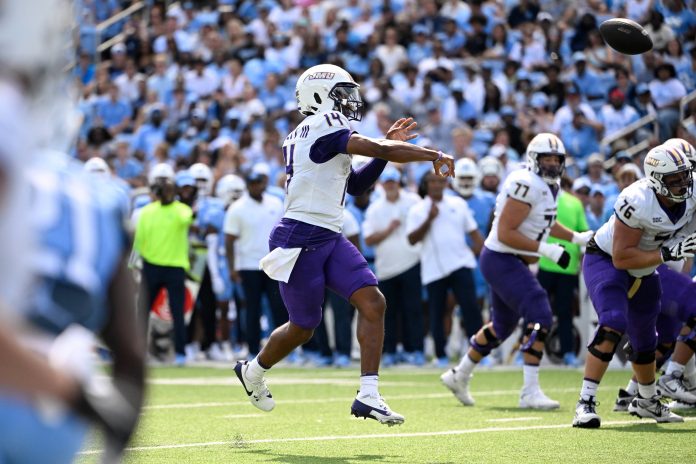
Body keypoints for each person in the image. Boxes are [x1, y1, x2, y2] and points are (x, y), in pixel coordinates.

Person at [232, 63, 454, 426]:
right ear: (320, 96)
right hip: (300, 236)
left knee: (372, 301)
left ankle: (368, 395)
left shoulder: (315, 131)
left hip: (328, 233)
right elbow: (373, 147)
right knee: (303, 326)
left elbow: (354, 185)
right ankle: (253, 370)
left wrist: (387, 150)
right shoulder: (323, 125)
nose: (351, 101)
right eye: (342, 93)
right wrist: (432, 154)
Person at [441, 133, 593, 409]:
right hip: (501, 257)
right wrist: (545, 250)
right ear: (533, 159)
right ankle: (529, 391)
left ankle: (459, 374)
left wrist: (575, 238)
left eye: (556, 158)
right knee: (540, 312)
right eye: (546, 158)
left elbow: (545, 220)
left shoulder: (548, 186)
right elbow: (505, 233)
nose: (551, 163)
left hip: (508, 259)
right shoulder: (525, 183)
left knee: (502, 326)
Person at [572, 144, 696, 428]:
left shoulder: (691, 188)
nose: (682, 184)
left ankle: (647, 401)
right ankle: (585, 402)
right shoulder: (636, 199)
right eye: (673, 179)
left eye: (684, 176)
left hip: (648, 266)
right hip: (607, 260)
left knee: (646, 338)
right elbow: (621, 256)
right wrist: (667, 254)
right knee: (613, 321)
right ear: (655, 179)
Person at [407, 171, 484, 367]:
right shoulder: (417, 210)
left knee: (471, 309)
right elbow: (412, 239)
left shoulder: (458, 204)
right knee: (437, 312)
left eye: (440, 181)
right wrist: (429, 219)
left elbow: (474, 233)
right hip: (433, 269)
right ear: (425, 185)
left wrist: (477, 252)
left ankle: (480, 354)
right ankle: (440, 356)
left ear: (446, 183)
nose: (436, 185)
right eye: (431, 182)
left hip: (461, 264)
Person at [363, 166, 424, 367]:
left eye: (393, 183)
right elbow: (369, 239)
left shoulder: (413, 201)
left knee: (413, 310)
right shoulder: (375, 208)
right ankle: (390, 351)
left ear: (399, 183)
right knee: (389, 312)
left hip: (411, 262)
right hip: (386, 267)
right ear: (382, 185)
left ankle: (415, 350)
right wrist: (389, 230)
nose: (391, 186)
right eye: (387, 183)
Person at [224, 168, 286, 358]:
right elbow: (229, 240)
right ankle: (252, 350)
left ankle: (284, 349)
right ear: (248, 185)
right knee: (252, 308)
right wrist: (232, 267)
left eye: (258, 182)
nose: (256, 186)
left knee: (279, 306)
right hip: (249, 266)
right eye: (252, 183)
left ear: (263, 183)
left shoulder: (276, 203)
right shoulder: (238, 207)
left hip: (273, 264)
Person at [134, 163, 193, 365]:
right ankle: (138, 351)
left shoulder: (182, 210)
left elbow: (187, 219)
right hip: (151, 267)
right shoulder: (147, 212)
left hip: (175, 267)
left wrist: (171, 198)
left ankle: (180, 354)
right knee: (142, 311)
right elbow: (138, 242)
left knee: (177, 312)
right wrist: (133, 267)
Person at [537, 175, 590, 367]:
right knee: (540, 310)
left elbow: (582, 232)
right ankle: (530, 350)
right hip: (548, 263)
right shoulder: (546, 200)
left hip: (566, 267)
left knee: (562, 312)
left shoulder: (573, 203)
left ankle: (567, 353)